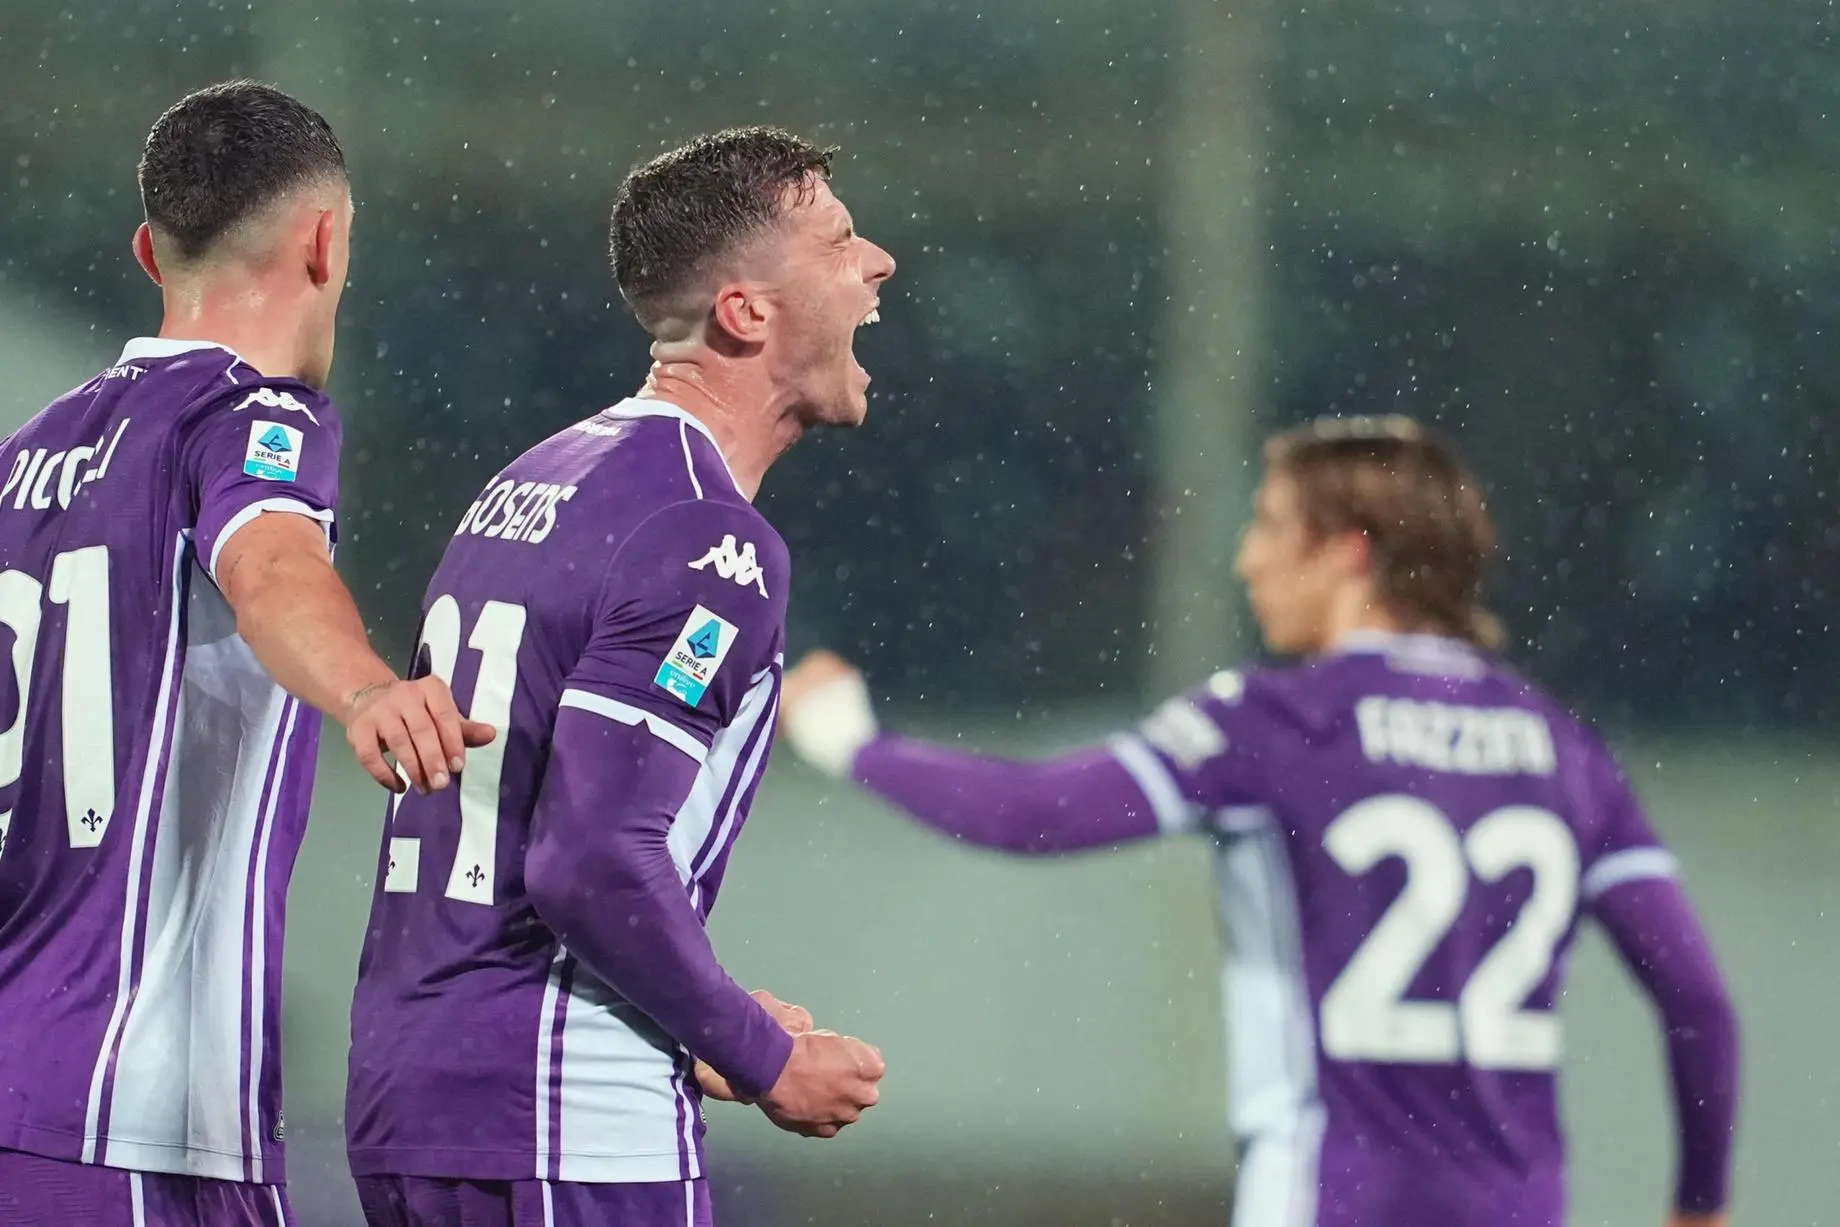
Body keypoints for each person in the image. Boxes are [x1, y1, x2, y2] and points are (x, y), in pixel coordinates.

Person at [778, 416, 1740, 1227]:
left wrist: (853, 740)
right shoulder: (1563, 748)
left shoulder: (1280, 724)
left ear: (1350, 550)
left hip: (1331, 1197)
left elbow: (1033, 813)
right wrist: (1700, 1206)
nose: (1247, 559)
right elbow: (1699, 1003)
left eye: (1272, 526)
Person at [346, 126, 896, 1227]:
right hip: (563, 1117)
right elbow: (588, 857)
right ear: (746, 312)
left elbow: (539, 829)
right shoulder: (707, 538)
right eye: (838, 240)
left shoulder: (535, 477)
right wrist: (759, 1053)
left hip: (418, 1089)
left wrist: (701, 1013)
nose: (876, 260)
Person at [0, 81, 485, 1227]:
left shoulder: (22, 462)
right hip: (128, 1112)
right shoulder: (248, 416)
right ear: (326, 242)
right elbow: (268, 563)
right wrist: (366, 685)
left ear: (147, 250)